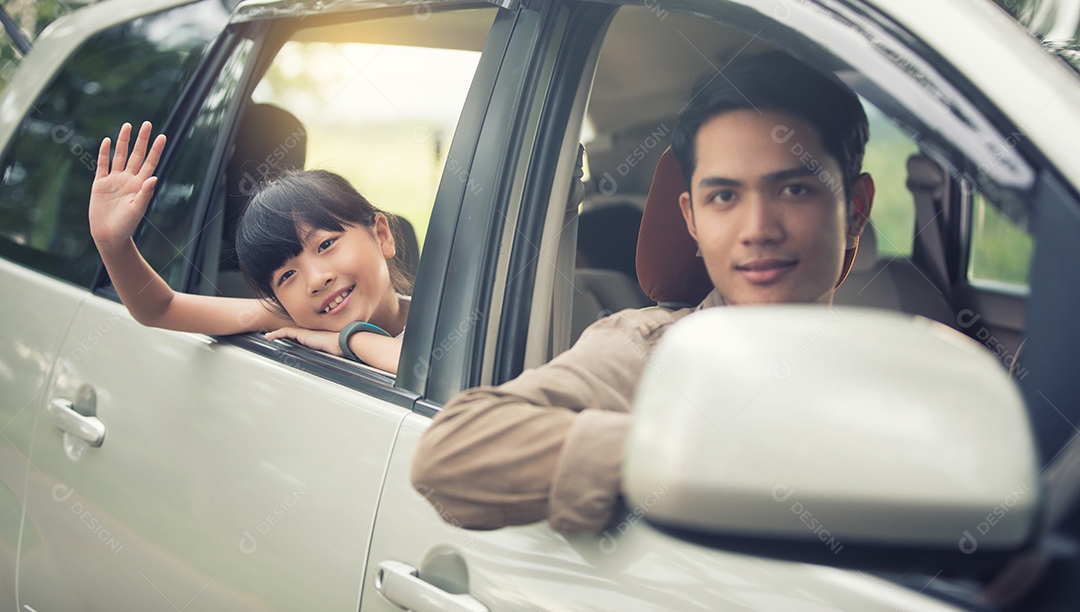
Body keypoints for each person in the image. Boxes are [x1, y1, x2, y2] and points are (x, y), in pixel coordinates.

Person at [410, 51, 875, 533]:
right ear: (691, 219)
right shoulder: (647, 350)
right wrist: (696, 454)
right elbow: (450, 454)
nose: (757, 229)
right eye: (723, 198)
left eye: (794, 190)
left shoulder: (899, 361)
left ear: (856, 207)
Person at [88, 121, 409, 374]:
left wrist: (344, 339)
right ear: (277, 300)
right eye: (286, 276)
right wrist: (114, 246)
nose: (315, 280)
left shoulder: (449, 317)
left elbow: (415, 366)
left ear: (381, 235)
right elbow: (160, 308)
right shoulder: (290, 318)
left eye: (326, 244)